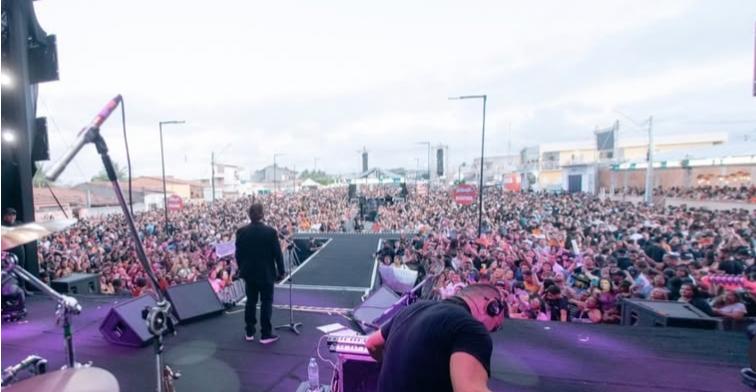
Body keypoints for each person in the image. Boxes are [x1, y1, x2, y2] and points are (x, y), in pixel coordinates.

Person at [365, 284, 506, 392]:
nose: (490, 331)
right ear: (492, 306)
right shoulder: (471, 328)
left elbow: (372, 343)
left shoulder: (413, 308)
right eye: (494, 327)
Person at [235, 203, 285, 344]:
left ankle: (249, 332)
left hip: (249, 273)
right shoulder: (270, 232)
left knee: (250, 301)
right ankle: (265, 334)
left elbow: (238, 254)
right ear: (262, 214)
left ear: (249, 215)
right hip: (266, 273)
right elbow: (277, 254)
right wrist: (281, 271)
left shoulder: (241, 232)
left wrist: (242, 269)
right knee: (266, 302)